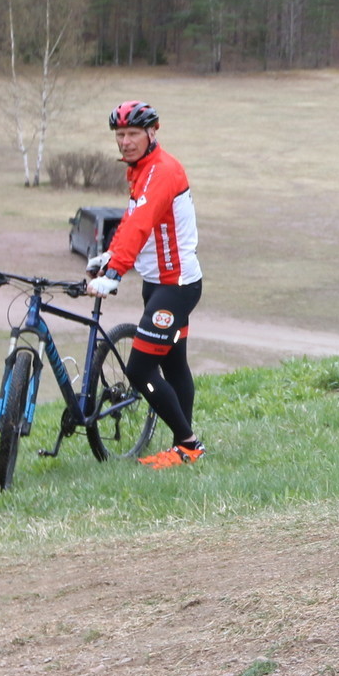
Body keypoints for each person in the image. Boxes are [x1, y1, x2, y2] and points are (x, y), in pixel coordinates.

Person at [83, 101, 205, 469]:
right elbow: (133, 221)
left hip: (176, 286)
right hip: (158, 284)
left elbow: (141, 223)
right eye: (120, 134)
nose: (125, 141)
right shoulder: (144, 171)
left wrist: (114, 275)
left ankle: (189, 444)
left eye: (133, 133)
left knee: (139, 369)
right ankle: (184, 449)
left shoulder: (162, 171)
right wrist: (110, 256)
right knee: (174, 364)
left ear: (152, 132)